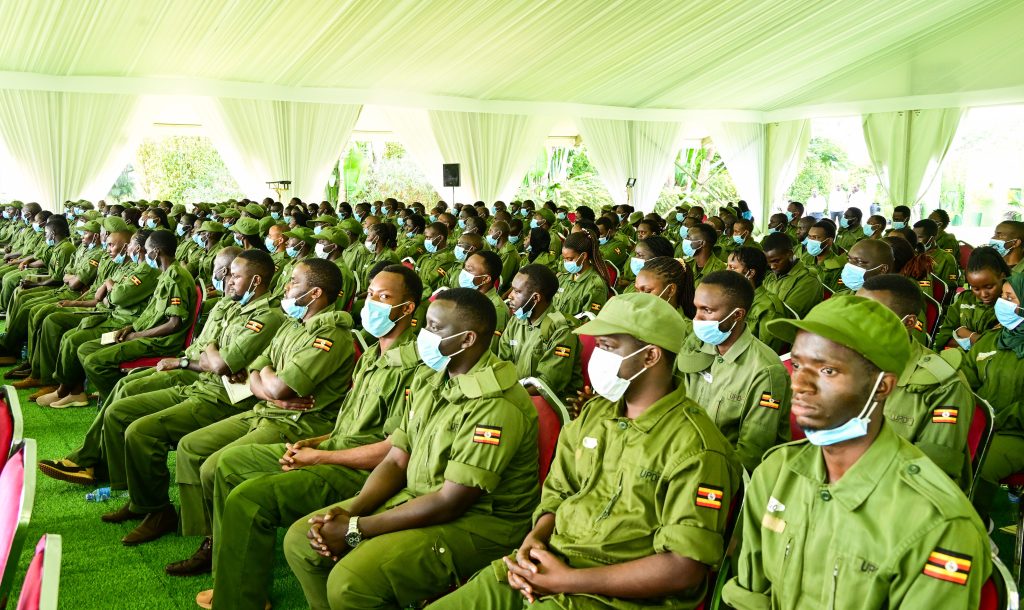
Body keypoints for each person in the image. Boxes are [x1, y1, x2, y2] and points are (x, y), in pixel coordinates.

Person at [429, 292, 740, 610]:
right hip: (550, 565)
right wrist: (535, 541)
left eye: (608, 347)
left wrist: (566, 581)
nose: (597, 357)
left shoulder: (696, 447)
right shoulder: (594, 414)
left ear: (650, 357)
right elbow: (559, 492)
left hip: (617, 598)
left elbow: (683, 568)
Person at [722, 296, 991, 609]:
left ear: (882, 387)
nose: (799, 384)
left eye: (828, 371)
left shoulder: (939, 523)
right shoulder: (777, 472)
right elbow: (750, 595)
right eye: (796, 365)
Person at [282, 288, 539, 609]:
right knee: (300, 541)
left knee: (351, 582)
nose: (423, 335)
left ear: (467, 339)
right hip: (420, 496)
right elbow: (396, 458)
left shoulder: (496, 405)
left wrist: (354, 529)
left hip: (479, 526)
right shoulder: (432, 378)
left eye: (434, 328)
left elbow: (451, 502)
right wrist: (353, 512)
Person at [184, 266, 423, 609]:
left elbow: (393, 450)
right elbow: (347, 425)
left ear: (408, 308)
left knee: (247, 498)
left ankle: (240, 599)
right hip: (329, 447)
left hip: (358, 471)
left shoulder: (415, 367)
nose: (371, 303)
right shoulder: (372, 353)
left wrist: (320, 455)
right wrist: (315, 443)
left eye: (384, 297)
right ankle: (236, 577)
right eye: (369, 294)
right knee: (227, 465)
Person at [171, 258, 358, 550]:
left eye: (294, 282)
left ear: (316, 293)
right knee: (192, 447)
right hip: (264, 411)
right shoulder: (292, 325)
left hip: (298, 424)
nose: (285, 287)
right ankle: (210, 533)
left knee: (215, 468)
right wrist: (267, 387)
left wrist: (267, 383)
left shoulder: (330, 335)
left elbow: (278, 386)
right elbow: (258, 375)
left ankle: (219, 544)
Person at [857, 274, 975, 490]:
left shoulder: (942, 385)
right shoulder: (843, 363)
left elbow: (930, 475)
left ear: (909, 323)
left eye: (872, 315)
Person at [677, 271, 791, 472]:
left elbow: (751, 453)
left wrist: (698, 472)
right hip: (685, 456)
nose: (697, 318)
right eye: (696, 308)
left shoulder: (765, 370)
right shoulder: (698, 346)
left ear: (737, 315)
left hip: (725, 472)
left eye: (707, 310)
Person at [962, 272, 1024, 523]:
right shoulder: (992, 340)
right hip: (980, 424)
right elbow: (963, 378)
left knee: (979, 466)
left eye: (1010, 297)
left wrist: (993, 420)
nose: (1002, 303)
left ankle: (973, 527)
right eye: (1003, 296)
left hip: (1015, 432)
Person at [499, 264, 583, 398]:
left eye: (517, 291)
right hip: (516, 393)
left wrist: (507, 396)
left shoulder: (561, 330)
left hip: (549, 401)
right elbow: (501, 361)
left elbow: (547, 384)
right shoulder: (518, 319)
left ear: (536, 298)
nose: (510, 296)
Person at [934, 246, 1006, 351]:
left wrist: (966, 334)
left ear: (1002, 277)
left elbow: (997, 345)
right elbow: (943, 340)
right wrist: (978, 339)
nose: (983, 294)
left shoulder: (1010, 303)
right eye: (976, 288)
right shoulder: (964, 299)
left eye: (989, 287)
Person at [728, 247, 787, 353]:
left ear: (750, 273)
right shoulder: (733, 297)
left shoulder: (768, 308)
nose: (726, 272)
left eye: (732, 268)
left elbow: (766, 352)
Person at [459, 250, 511, 351]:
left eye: (469, 270)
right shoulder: (468, 295)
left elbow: (488, 349)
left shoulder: (496, 310)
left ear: (485, 279)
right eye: (464, 268)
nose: (464, 273)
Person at [761, 232, 822, 318]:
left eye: (776, 261)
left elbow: (789, 317)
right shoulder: (771, 276)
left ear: (790, 254)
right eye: (768, 262)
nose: (772, 267)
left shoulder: (808, 280)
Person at [551, 232, 609, 321]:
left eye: (570, 259)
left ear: (583, 256)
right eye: (564, 259)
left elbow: (588, 321)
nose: (566, 263)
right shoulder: (564, 277)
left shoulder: (595, 286)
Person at [914, 219, 959, 289]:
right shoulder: (912, 255)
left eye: (920, 237)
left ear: (932, 238)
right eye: (914, 237)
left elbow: (950, 288)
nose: (916, 241)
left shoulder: (947, 259)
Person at [681, 223, 726, 287]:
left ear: (702, 243)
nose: (685, 240)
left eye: (689, 238)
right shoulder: (687, 264)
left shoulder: (719, 271)